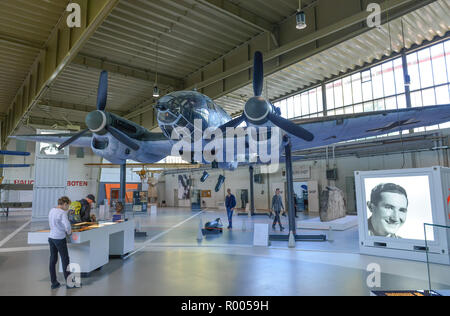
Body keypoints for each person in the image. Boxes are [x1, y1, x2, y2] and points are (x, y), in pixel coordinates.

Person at [48, 196, 73, 290]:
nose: (68, 208)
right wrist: (69, 232)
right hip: (59, 238)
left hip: (51, 237)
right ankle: (69, 283)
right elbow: (67, 225)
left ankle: (54, 283)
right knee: (65, 259)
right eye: (68, 206)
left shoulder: (52, 210)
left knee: (53, 260)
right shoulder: (62, 212)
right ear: (65, 204)